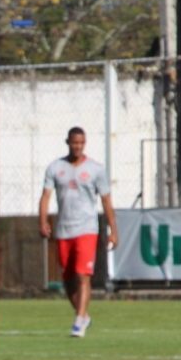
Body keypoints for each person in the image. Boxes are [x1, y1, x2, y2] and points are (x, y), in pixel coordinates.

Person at [38, 127, 118, 337]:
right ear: (68, 142)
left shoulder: (95, 169)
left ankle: (79, 321)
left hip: (87, 228)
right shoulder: (55, 168)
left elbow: (106, 200)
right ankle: (83, 315)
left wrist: (113, 230)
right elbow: (45, 196)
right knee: (67, 278)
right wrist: (43, 220)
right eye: (75, 143)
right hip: (64, 229)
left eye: (81, 143)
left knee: (83, 275)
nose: (78, 147)